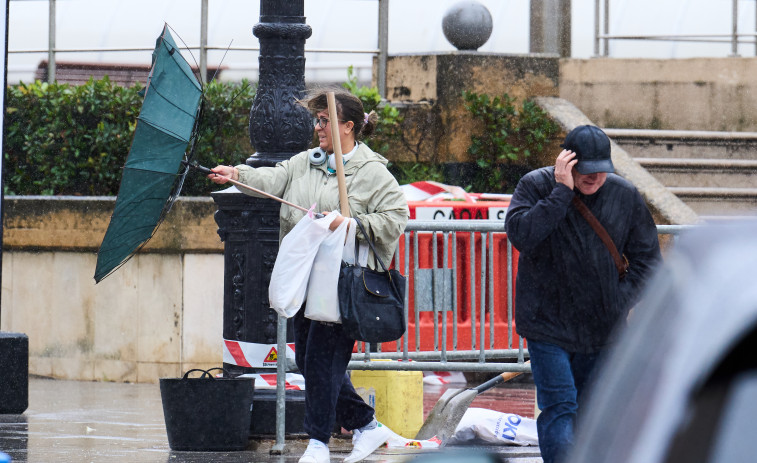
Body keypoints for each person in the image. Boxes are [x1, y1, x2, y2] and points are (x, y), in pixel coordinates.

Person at [208, 88, 409, 463]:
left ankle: (318, 441)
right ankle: (366, 425)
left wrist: (352, 222)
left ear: (348, 127)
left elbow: (396, 217)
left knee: (320, 360)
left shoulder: (372, 172)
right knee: (310, 362)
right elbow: (274, 178)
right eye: (316, 120)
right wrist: (237, 173)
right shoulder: (307, 162)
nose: (318, 127)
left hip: (341, 285)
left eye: (324, 120)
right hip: (307, 279)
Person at [504, 125, 662, 463]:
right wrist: (560, 193)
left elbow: (649, 260)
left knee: (595, 413)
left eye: (601, 171)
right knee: (560, 407)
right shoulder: (535, 186)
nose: (594, 179)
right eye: (585, 171)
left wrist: (620, 298)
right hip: (547, 324)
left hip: (603, 327)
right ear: (565, 162)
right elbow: (523, 237)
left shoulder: (624, 195)